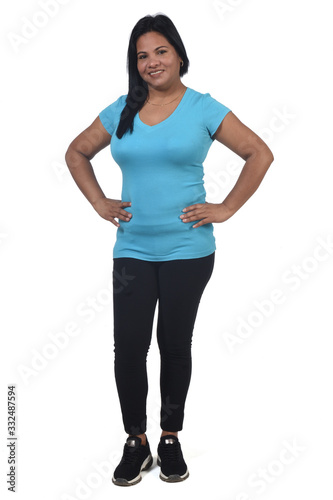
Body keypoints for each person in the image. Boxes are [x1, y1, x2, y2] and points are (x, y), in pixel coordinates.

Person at [65, 13, 274, 487]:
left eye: (160, 51)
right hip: (132, 249)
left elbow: (259, 152)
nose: (151, 62)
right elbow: (76, 151)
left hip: (188, 250)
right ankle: (136, 442)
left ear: (179, 55)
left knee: (174, 345)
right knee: (128, 349)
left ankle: (170, 437)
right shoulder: (121, 109)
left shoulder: (203, 107)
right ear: (133, 64)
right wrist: (99, 201)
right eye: (142, 55)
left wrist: (226, 207)